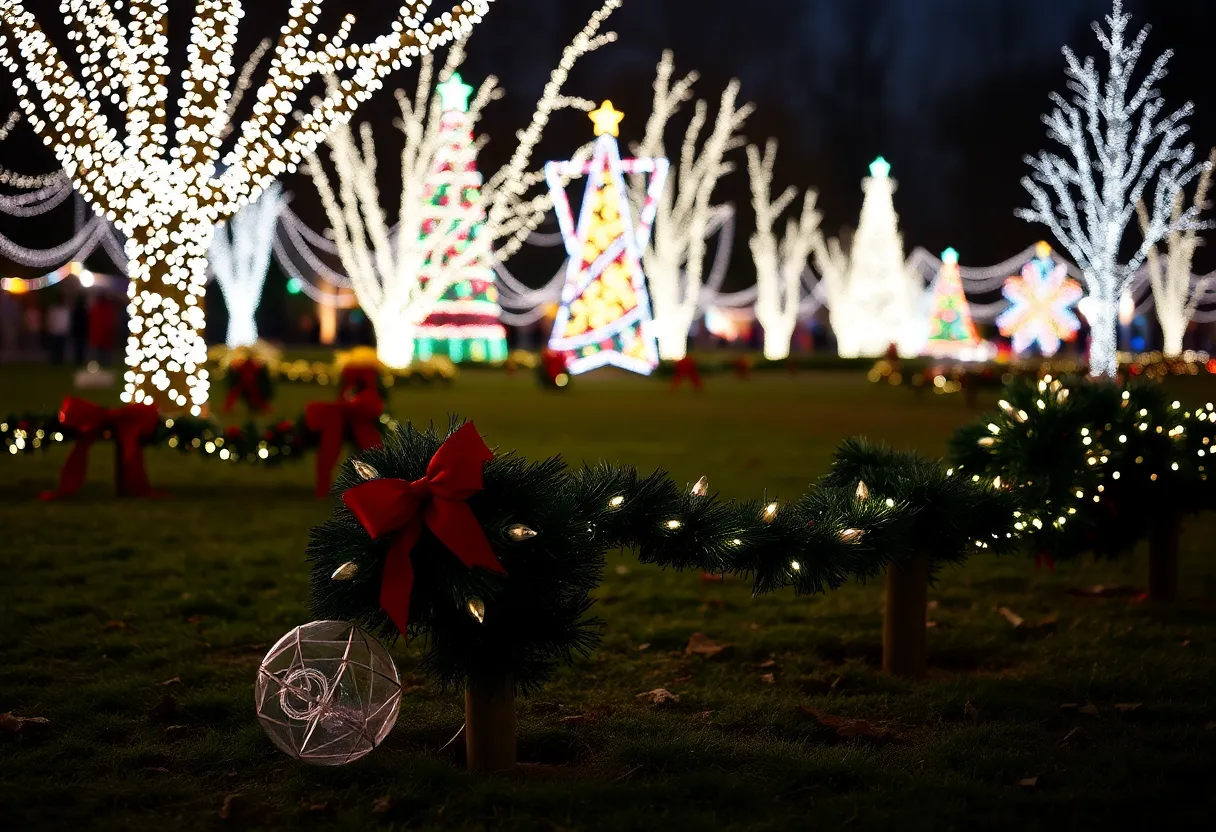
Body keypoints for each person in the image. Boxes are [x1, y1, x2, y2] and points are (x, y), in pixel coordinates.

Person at [88, 294, 116, 366]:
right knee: (103, 352)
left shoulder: (96, 307)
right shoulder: (107, 308)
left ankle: (101, 363)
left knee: (101, 351)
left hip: (100, 334)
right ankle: (104, 363)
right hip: (104, 334)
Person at [46, 298, 71, 364]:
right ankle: (55, 361)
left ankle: (59, 361)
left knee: (60, 349)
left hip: (61, 332)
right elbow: (50, 320)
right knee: (55, 348)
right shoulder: (53, 309)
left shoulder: (65, 309)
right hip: (55, 332)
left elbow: (67, 321)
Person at [71, 292, 89, 365]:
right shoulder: (84, 310)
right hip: (81, 331)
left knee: (78, 347)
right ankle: (80, 360)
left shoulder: (76, 310)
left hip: (78, 331)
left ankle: (78, 360)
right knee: (80, 347)